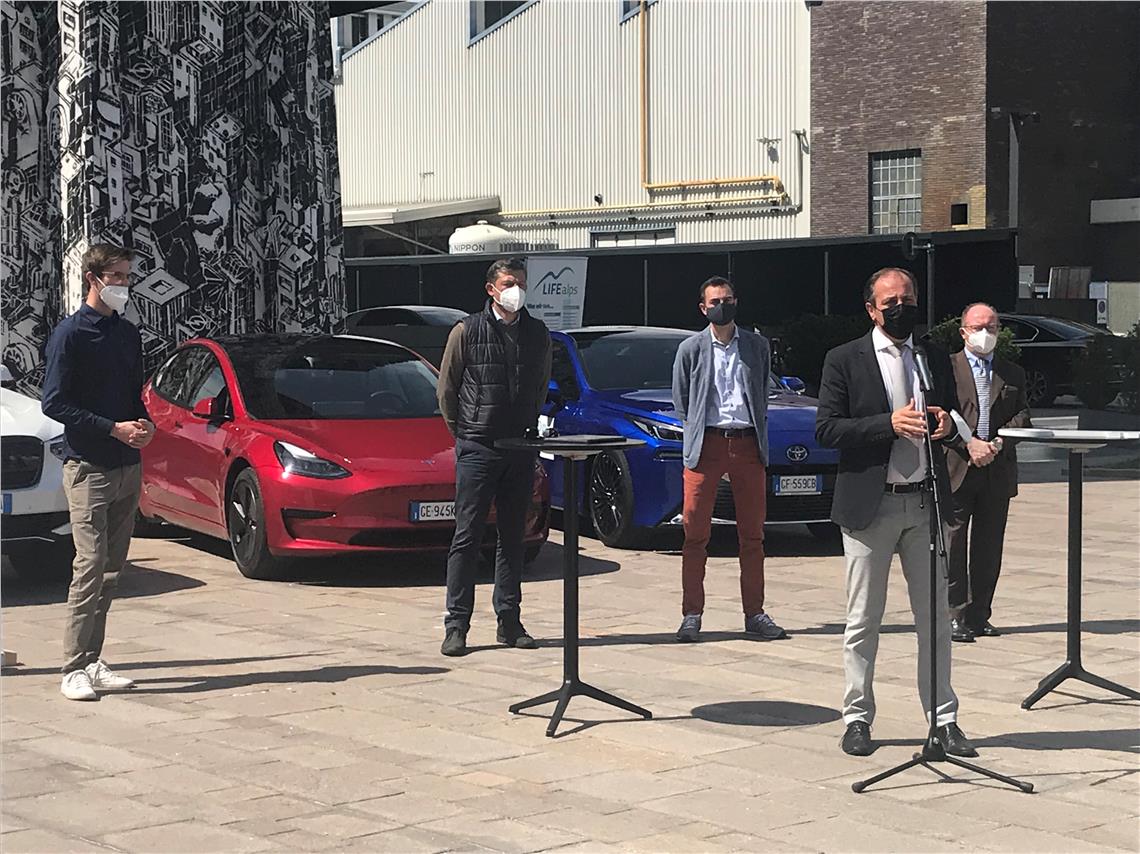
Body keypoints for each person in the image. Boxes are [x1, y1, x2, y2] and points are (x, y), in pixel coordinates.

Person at [815, 267, 977, 758]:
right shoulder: (845, 359)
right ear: (872, 309)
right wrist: (887, 423)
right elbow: (827, 430)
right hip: (871, 505)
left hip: (925, 502)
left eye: (908, 299)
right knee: (864, 618)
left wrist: (948, 426)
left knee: (935, 619)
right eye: (891, 302)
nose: (902, 308)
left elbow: (951, 415)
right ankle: (857, 717)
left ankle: (943, 720)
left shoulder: (930, 355)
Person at [41, 243, 154, 701]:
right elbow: (54, 402)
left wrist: (144, 424)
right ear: (94, 279)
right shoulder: (70, 335)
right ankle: (72, 667)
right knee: (88, 566)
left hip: (128, 465)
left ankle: (92, 659)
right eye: (117, 276)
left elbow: (132, 394)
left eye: (128, 276)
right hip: (88, 466)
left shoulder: (126, 334)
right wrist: (112, 428)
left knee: (110, 569)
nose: (124, 284)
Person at [437, 258, 552, 657]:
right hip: (478, 447)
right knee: (467, 537)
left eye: (520, 282)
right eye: (507, 282)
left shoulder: (537, 333)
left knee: (513, 537)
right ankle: (457, 625)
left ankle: (509, 619)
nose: (515, 289)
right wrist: (465, 434)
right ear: (491, 289)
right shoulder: (466, 330)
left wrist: (526, 424)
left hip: (518, 448)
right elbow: (447, 389)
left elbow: (540, 385)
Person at [671, 276, 785, 643]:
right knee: (695, 534)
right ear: (703, 308)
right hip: (707, 444)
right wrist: (697, 432)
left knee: (752, 535)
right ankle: (691, 615)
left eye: (728, 299)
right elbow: (681, 400)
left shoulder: (756, 346)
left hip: (748, 444)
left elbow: (762, 391)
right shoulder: (690, 349)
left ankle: (755, 613)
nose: (723, 306)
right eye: (716, 301)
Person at [945, 304, 1031, 642]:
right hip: (957, 465)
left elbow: (1022, 415)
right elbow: (941, 413)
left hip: (997, 468)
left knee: (989, 546)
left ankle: (980, 614)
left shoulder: (1013, 372)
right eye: (978, 327)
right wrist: (969, 445)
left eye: (991, 327)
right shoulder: (947, 368)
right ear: (963, 331)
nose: (985, 333)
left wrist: (995, 444)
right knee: (953, 545)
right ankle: (954, 615)